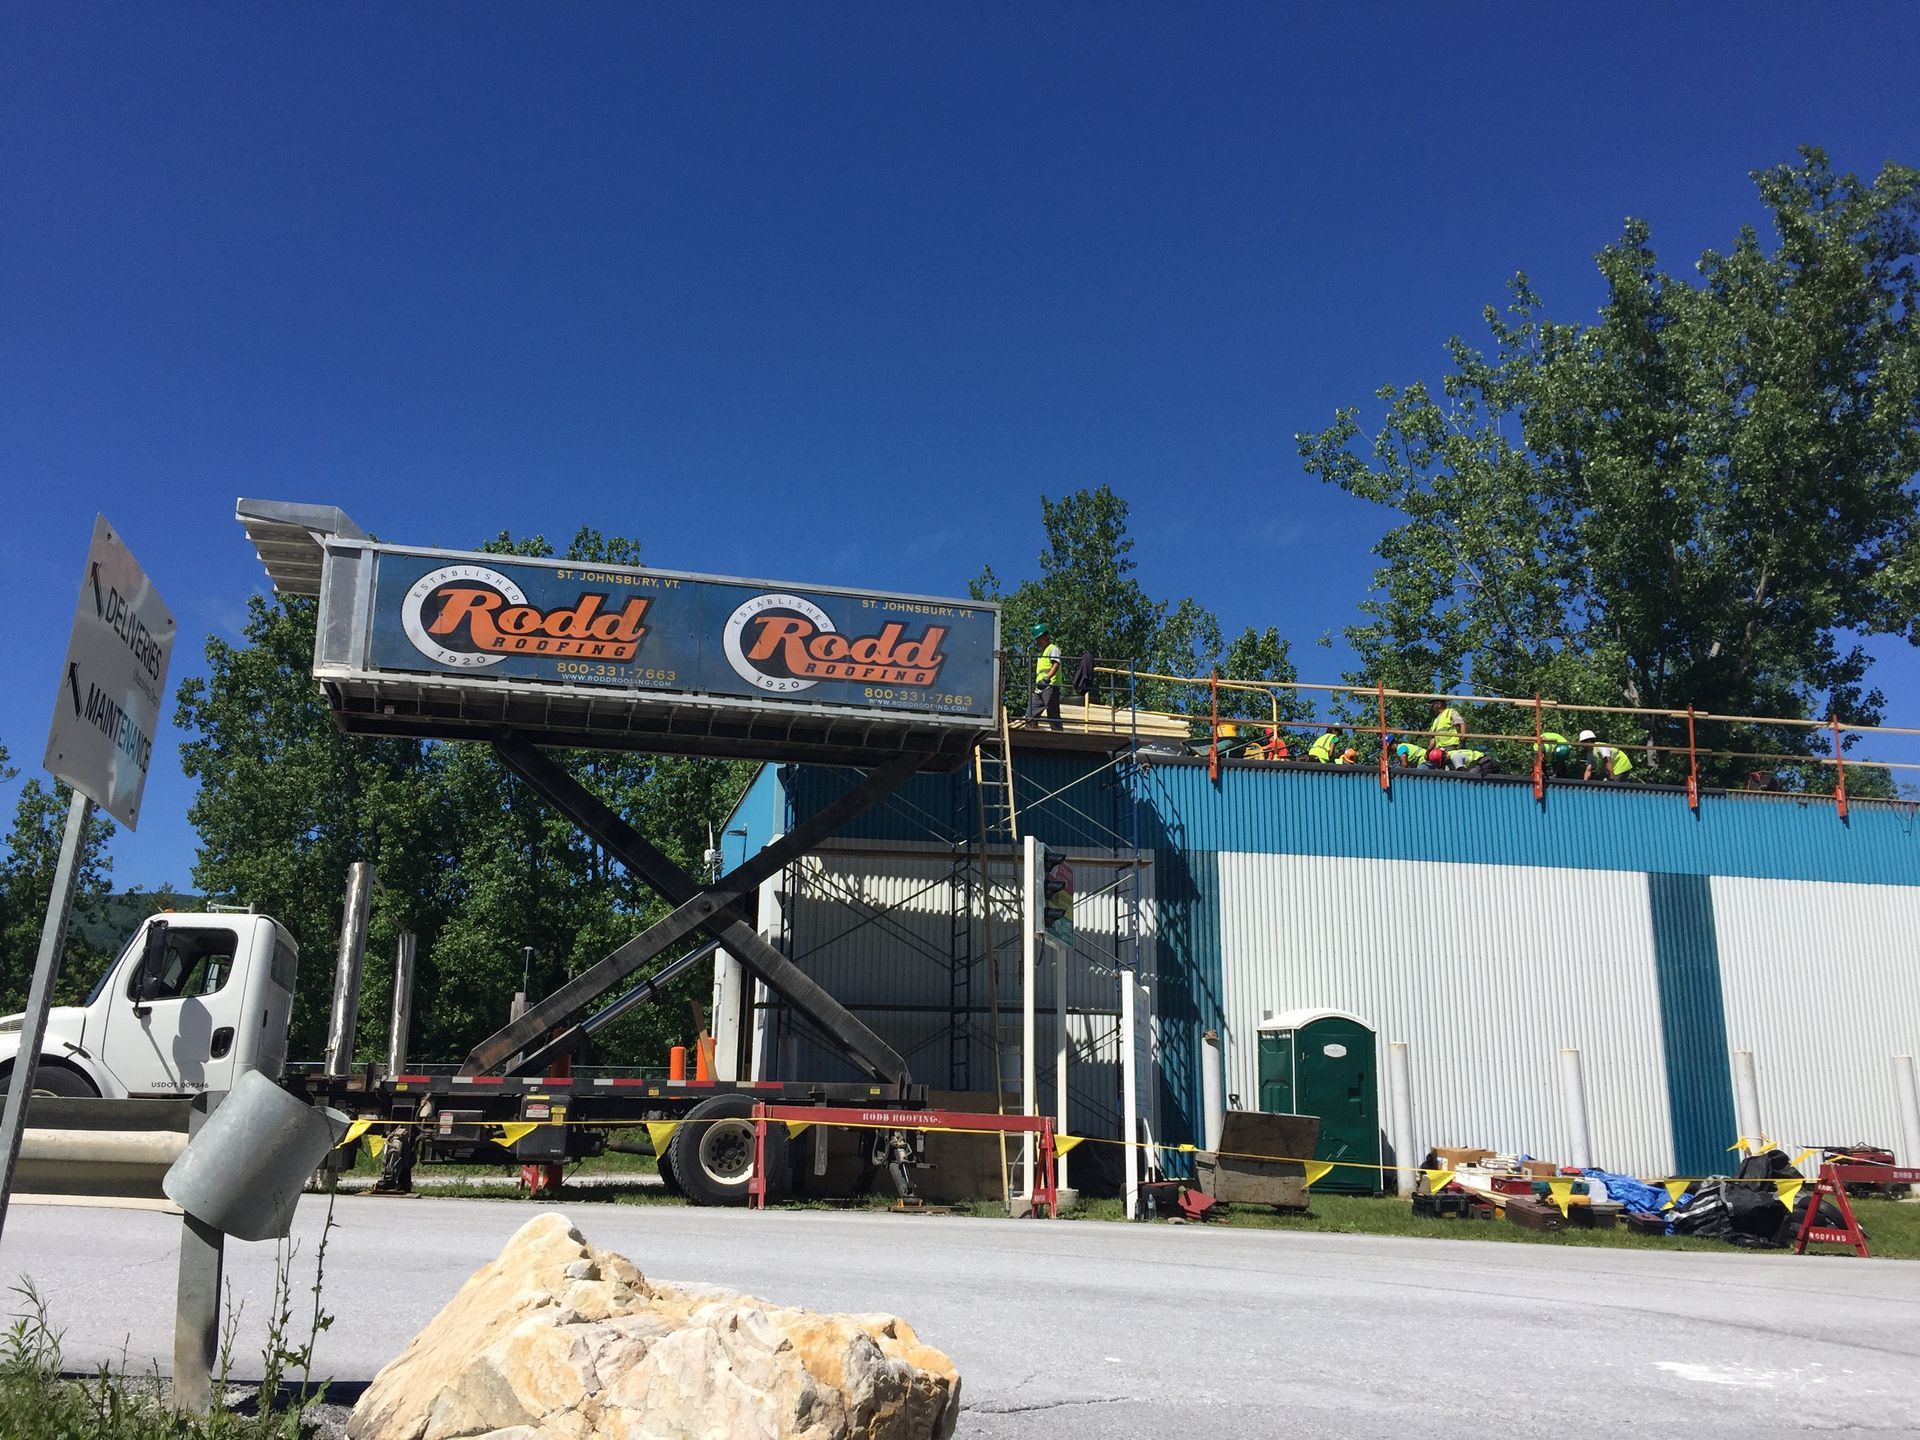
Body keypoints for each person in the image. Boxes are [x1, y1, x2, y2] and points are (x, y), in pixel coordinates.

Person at [1027, 623, 1062, 730]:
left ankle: (1058, 735)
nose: (1037, 642)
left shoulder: (1053, 648)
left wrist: (1047, 678)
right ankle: (1031, 733)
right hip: (1039, 688)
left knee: (1052, 713)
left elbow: (1056, 664)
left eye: (1039, 639)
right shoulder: (1042, 653)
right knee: (1030, 714)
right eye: (1036, 639)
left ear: (1046, 637)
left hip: (1049, 686)